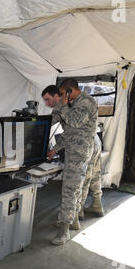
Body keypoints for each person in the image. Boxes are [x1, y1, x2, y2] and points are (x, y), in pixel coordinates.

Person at [41, 79, 98, 245]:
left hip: (80, 154)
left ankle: (64, 231)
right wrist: (56, 148)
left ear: (68, 91)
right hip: (73, 151)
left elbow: (74, 122)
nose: (52, 101)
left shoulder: (86, 102)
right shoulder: (72, 103)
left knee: (69, 190)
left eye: (61, 94)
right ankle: (72, 220)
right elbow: (70, 132)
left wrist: (64, 104)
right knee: (74, 188)